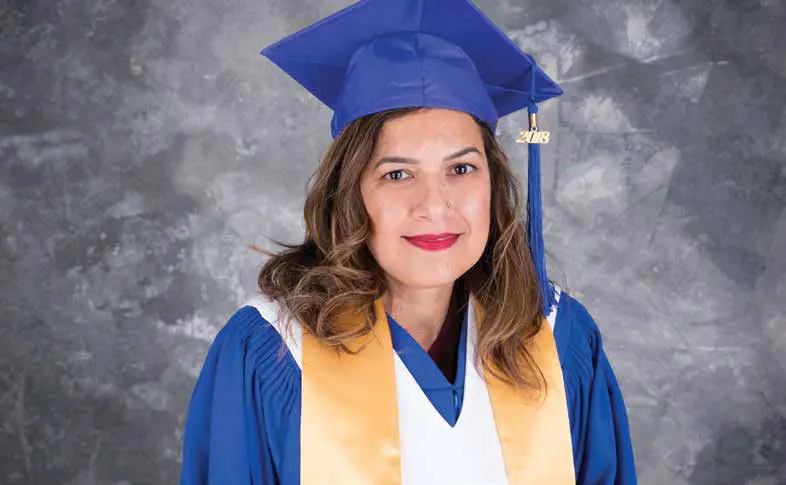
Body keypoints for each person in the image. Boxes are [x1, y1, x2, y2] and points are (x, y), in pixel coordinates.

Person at [179, 0, 638, 483]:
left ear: (494, 185)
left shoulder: (557, 337)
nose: (434, 206)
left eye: (461, 169)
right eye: (398, 173)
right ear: (350, 192)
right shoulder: (271, 352)